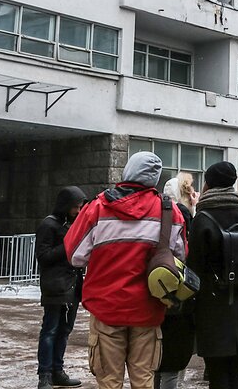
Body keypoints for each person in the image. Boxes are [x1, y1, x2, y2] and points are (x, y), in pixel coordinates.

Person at [65, 151, 184, 389]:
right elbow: (179, 258)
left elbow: (75, 256)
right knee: (144, 380)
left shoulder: (97, 207)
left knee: (109, 381)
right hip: (148, 309)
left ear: (128, 171)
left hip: (106, 307)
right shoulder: (170, 211)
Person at [188, 161, 238, 389]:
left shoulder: (203, 218)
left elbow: (194, 265)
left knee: (217, 372)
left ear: (209, 183)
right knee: (236, 370)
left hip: (211, 304)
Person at [35, 186, 86, 389]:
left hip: (71, 285)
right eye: (75, 207)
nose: (78, 211)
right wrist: (69, 244)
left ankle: (57, 370)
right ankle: (45, 374)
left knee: (64, 329)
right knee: (50, 330)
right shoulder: (49, 225)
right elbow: (43, 256)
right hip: (56, 285)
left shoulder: (71, 224)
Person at [157, 175, 196, 389]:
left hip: (158, 284)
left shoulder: (158, 211)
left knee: (157, 354)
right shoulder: (184, 215)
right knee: (174, 354)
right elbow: (185, 253)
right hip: (179, 289)